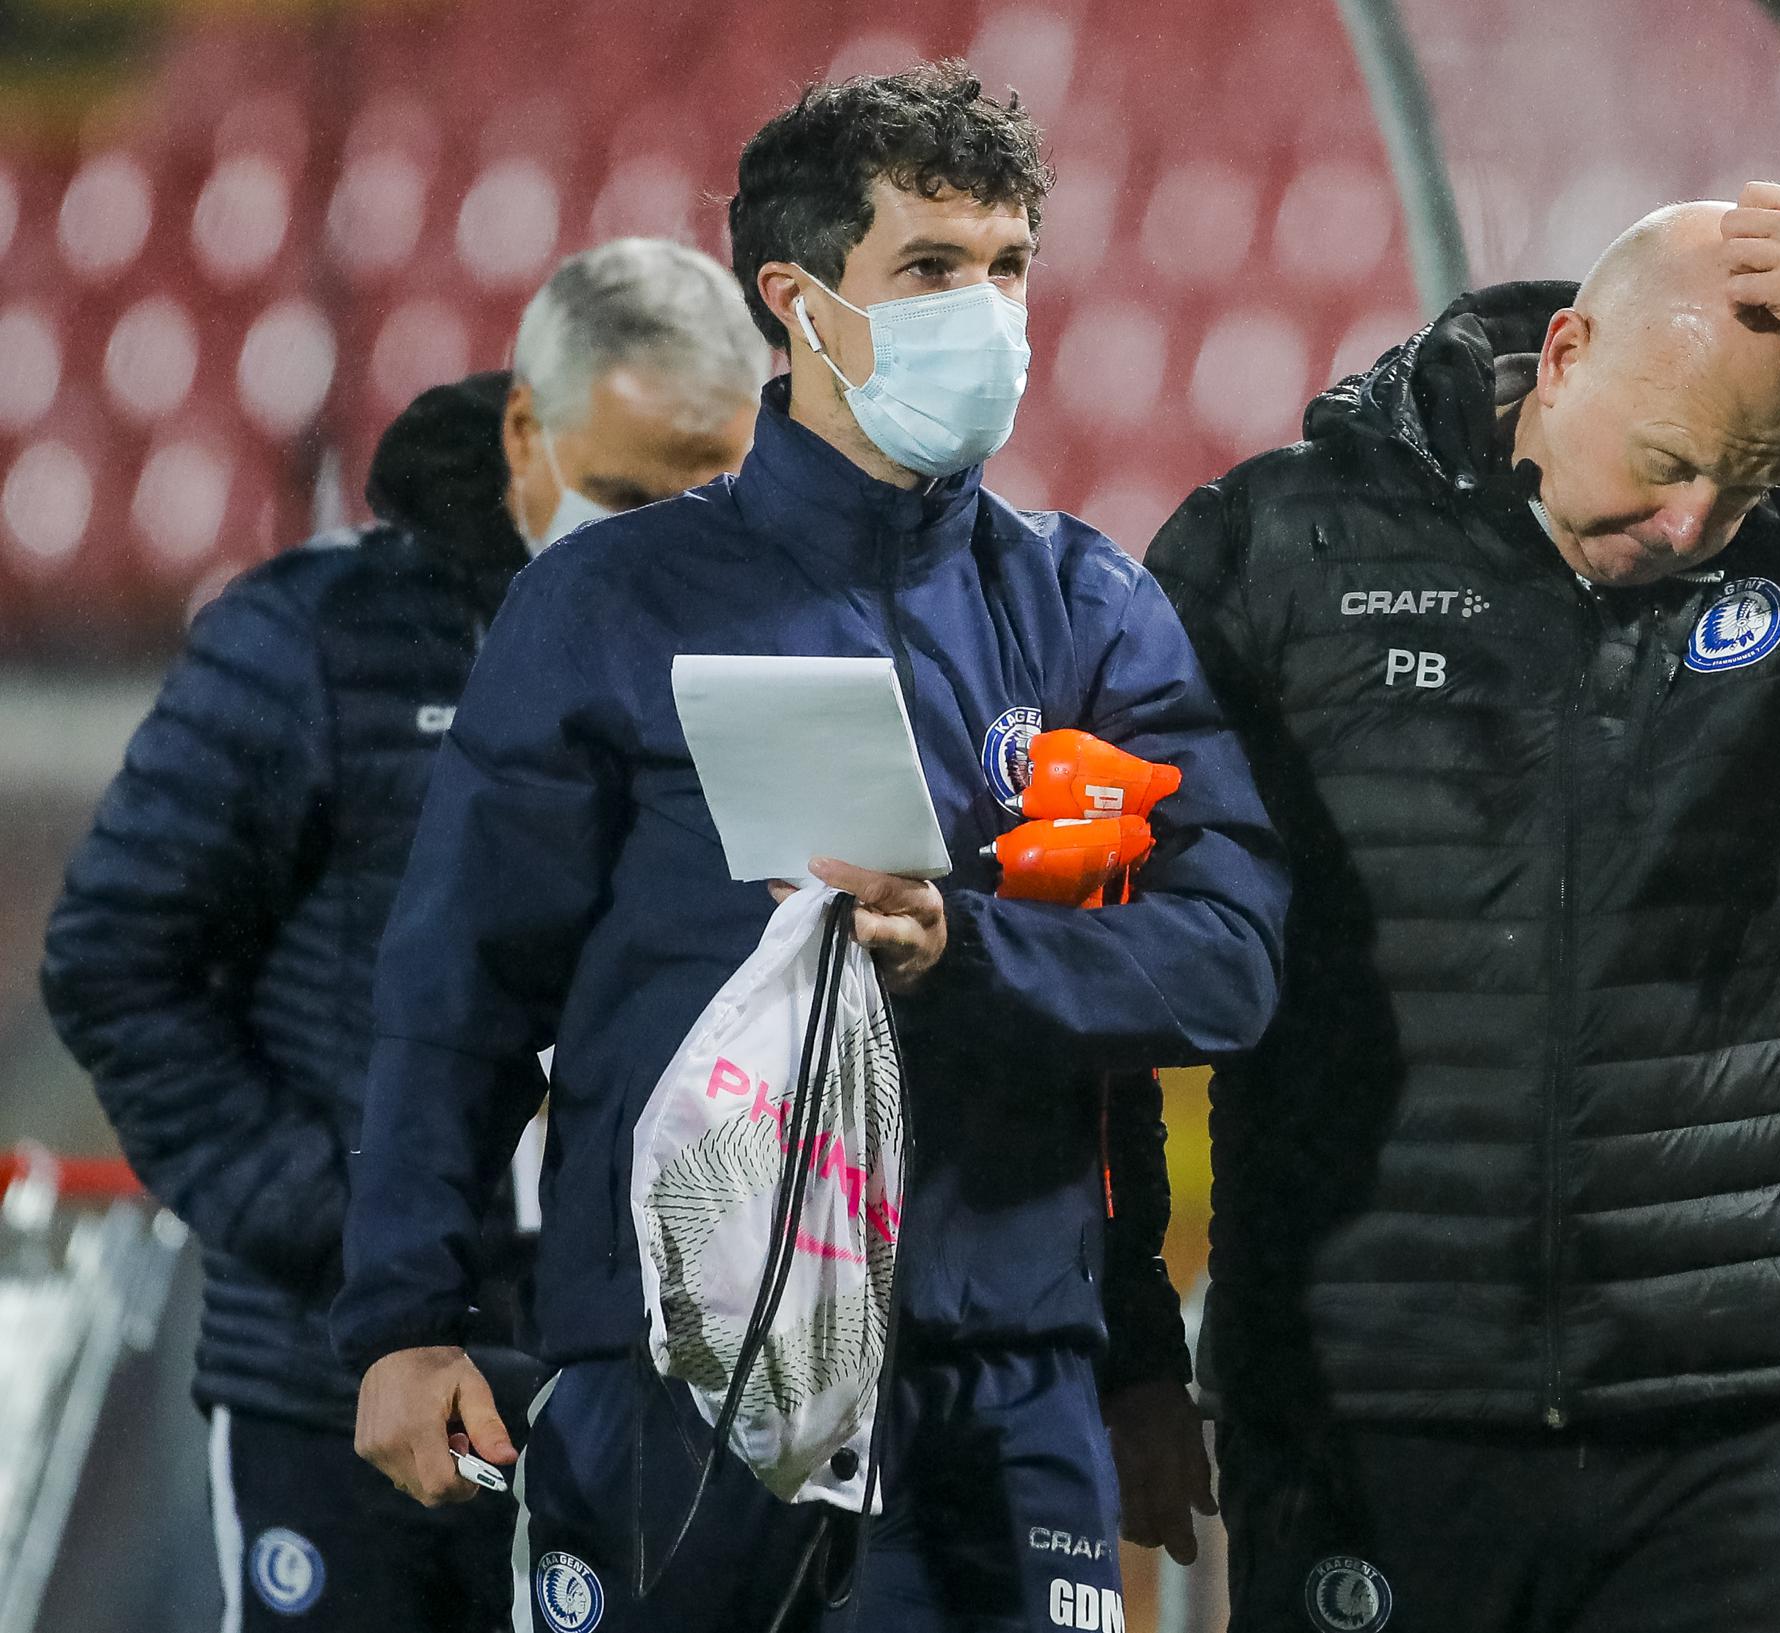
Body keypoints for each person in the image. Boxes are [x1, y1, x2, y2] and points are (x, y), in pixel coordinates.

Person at [332, 62, 1287, 1633]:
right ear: (798, 300)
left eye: (1008, 268)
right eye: (929, 269)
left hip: (1001, 1394)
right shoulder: (607, 604)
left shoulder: (1088, 611)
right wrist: (406, 1316)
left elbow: (1229, 953)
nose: (985, 312)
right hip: (673, 1388)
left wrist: (966, 950)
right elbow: (461, 986)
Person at [1144, 183, 1780, 1633]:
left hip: (1702, 1409)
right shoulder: (1280, 547)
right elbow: (1123, 921)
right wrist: (1130, 1336)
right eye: (1671, 459)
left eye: (1744, 479)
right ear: (1563, 356)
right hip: (1365, 1400)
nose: (1692, 519)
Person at [42, 236, 770, 1632]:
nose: (666, 538)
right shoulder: (312, 643)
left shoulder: (764, 649)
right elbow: (116, 963)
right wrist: (347, 1227)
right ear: (524, 435)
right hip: (342, 1385)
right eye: (625, 491)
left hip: (647, 1383)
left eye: (709, 494)